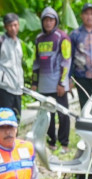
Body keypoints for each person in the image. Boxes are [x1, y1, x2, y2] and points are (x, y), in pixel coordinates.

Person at [34, 8, 72, 149]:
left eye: (51, 20)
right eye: (45, 20)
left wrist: (62, 83)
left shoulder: (62, 37)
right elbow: (36, 62)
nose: (48, 23)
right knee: (47, 115)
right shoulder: (38, 39)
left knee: (63, 114)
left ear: (55, 21)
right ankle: (51, 142)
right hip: (44, 85)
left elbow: (66, 61)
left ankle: (64, 143)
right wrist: (34, 82)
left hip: (58, 85)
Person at [0, 13, 24, 117]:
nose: (13, 28)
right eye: (10, 26)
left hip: (17, 88)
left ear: (19, 25)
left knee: (16, 118)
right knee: (5, 118)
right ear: (5, 27)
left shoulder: (18, 43)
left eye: (15, 25)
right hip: (4, 87)